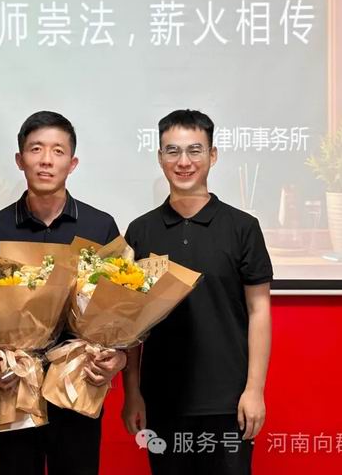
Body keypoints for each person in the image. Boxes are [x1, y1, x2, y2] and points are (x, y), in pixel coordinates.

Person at [0, 110, 125, 475]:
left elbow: (120, 308)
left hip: (78, 388)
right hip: (14, 388)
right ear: (20, 159)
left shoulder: (100, 227)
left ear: (73, 163)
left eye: (58, 151)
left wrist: (117, 358)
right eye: (36, 149)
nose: (46, 160)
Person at [122, 109, 273, 474]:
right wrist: (132, 393)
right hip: (162, 400)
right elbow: (128, 322)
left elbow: (259, 311)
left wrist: (254, 390)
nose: (184, 162)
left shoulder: (243, 227)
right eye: (172, 151)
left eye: (195, 150)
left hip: (229, 402)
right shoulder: (141, 231)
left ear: (212, 155)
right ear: (160, 157)